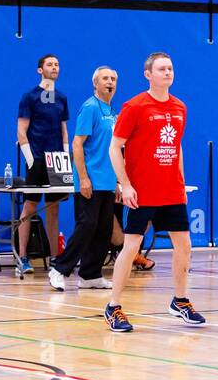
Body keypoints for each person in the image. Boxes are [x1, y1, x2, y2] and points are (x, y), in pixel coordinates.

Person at [106, 52, 200, 332]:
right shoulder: (134, 106)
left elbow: (176, 146)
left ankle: (180, 301)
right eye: (161, 69)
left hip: (171, 191)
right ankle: (113, 306)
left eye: (170, 68)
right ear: (148, 74)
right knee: (131, 245)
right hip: (142, 191)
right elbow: (115, 147)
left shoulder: (180, 107)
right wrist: (125, 184)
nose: (167, 73)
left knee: (184, 245)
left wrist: (180, 181)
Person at [49, 67, 119, 292]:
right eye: (105, 79)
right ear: (95, 84)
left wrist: (118, 181)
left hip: (108, 182)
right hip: (90, 180)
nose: (110, 82)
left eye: (114, 79)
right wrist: (83, 178)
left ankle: (90, 275)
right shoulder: (90, 107)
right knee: (87, 225)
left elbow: (114, 149)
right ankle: (59, 269)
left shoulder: (111, 111)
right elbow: (77, 144)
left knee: (103, 229)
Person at [16, 54, 69, 276]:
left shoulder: (62, 98)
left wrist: (66, 155)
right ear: (40, 70)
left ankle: (55, 258)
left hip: (57, 161)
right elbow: (21, 130)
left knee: (54, 209)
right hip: (36, 158)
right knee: (30, 207)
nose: (54, 67)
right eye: (50, 64)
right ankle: (23, 257)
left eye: (57, 64)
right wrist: (30, 159)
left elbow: (64, 129)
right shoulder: (29, 97)